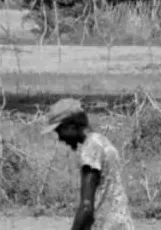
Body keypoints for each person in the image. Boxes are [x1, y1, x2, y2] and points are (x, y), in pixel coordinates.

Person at [41, 98, 133, 230]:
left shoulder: (91, 149)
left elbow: (86, 206)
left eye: (60, 131)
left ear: (72, 126)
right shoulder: (101, 140)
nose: (60, 138)